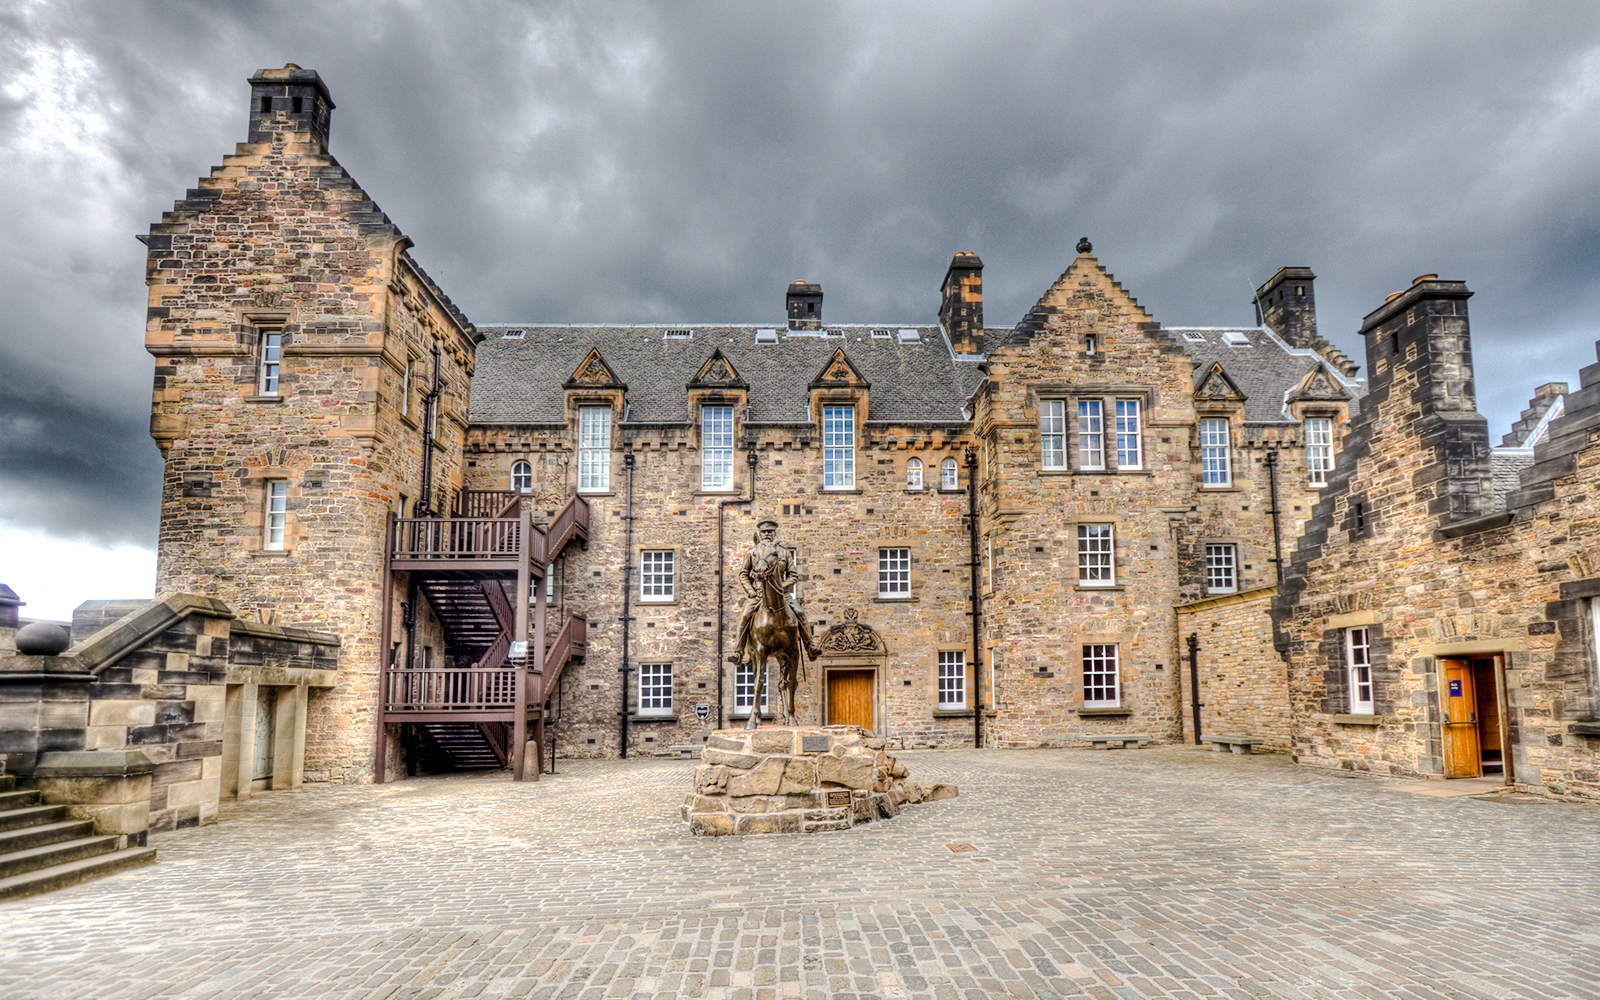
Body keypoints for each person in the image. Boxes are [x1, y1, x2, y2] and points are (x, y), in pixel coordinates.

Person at [734, 519, 823, 664]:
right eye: (764, 532)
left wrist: (781, 588)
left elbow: (793, 575)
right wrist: (751, 591)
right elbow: (743, 574)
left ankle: (810, 646)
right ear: (760, 534)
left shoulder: (784, 552)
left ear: (775, 533)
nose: (767, 534)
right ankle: (738, 651)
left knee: (800, 612)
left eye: (770, 531)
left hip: (781, 594)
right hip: (758, 594)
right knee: (744, 616)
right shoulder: (752, 552)